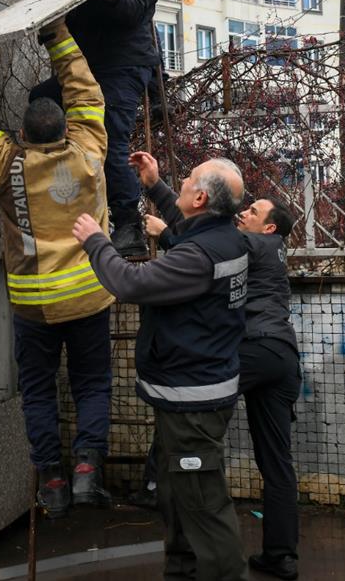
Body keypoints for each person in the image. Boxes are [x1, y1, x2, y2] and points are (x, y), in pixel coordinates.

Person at [0, 24, 114, 518]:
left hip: (33, 304)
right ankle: (87, 470)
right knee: (92, 384)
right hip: (90, 295)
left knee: (38, 390)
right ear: (67, 129)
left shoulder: (4, 162)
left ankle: (53, 482)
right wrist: (56, 31)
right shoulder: (89, 149)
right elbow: (85, 90)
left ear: (22, 135)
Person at [72, 158, 249, 581]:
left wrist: (97, 241)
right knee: (178, 498)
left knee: (204, 506)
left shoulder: (198, 257)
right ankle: (183, 572)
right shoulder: (226, 238)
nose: (183, 183)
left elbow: (130, 284)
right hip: (189, 399)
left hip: (192, 405)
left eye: (187, 181)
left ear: (202, 197)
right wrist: (157, 186)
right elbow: (191, 228)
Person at [135, 150, 301, 579]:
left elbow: (202, 241)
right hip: (283, 357)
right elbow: (205, 220)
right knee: (276, 460)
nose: (243, 213)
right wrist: (157, 186)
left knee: (189, 407)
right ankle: (281, 555)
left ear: (269, 227)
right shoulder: (271, 247)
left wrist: (165, 229)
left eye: (253, 211)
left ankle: (161, 475)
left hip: (256, 349)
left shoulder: (252, 245)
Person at [29, 0, 163, 258]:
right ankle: (67, 192)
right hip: (89, 66)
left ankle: (129, 228)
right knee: (40, 102)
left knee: (112, 141)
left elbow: (134, 13)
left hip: (120, 67)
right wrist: (44, 2)